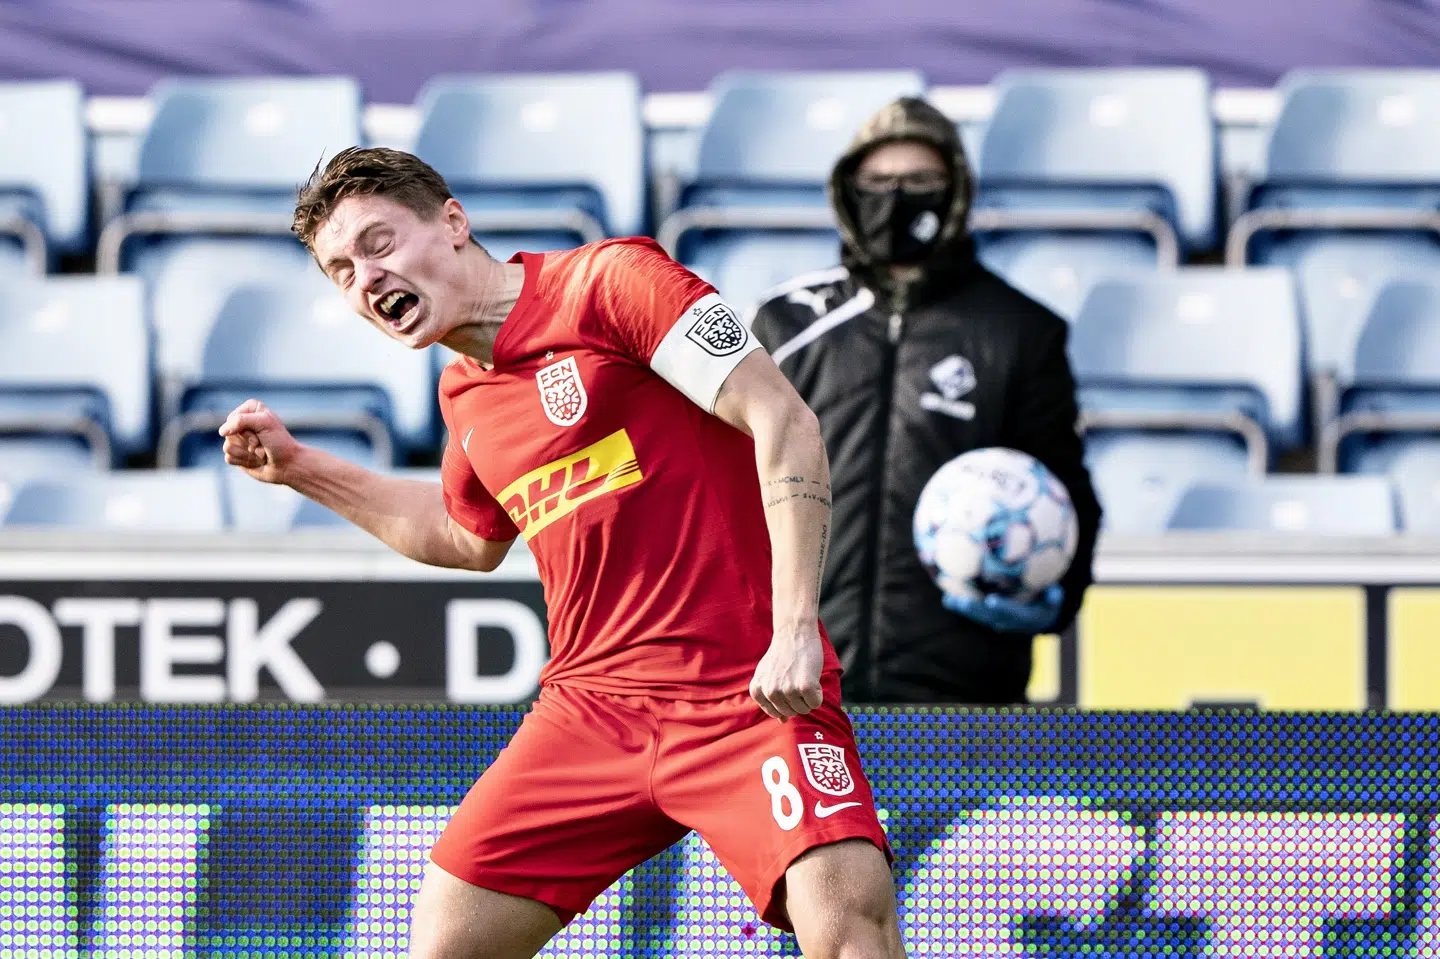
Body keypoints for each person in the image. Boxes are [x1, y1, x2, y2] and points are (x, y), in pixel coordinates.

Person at [218, 147, 905, 959]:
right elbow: (466, 537)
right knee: (444, 944)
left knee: (849, 928)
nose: (365, 278)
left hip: (743, 691)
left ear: (453, 221)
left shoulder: (614, 282)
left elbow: (784, 421)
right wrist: (300, 468)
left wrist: (794, 627)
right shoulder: (464, 393)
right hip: (593, 709)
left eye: (378, 243)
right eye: (340, 270)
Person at [749, 97, 1103, 705]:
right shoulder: (784, 321)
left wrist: (1052, 597)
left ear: (956, 190)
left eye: (920, 182)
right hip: (798, 681)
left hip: (962, 690)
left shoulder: (1020, 330)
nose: (897, 198)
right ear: (847, 191)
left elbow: (1066, 494)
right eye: (878, 182)